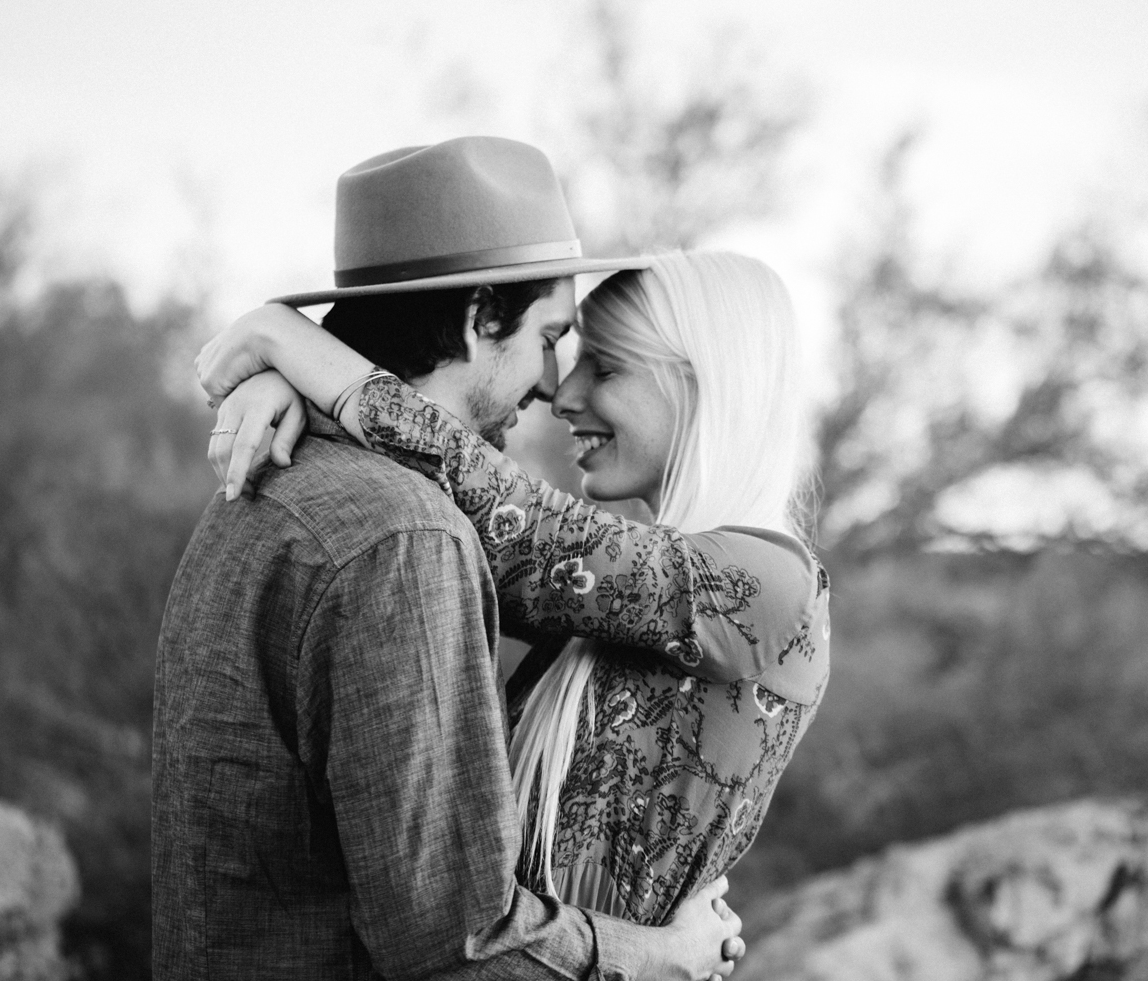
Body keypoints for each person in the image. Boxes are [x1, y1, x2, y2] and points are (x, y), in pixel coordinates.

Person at [153, 137, 743, 981]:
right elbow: (457, 945)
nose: (550, 383)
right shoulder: (407, 538)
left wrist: (294, 360)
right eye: (548, 336)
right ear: (478, 316)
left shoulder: (262, 491)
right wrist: (661, 957)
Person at [199, 249, 830, 932]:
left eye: (607, 367)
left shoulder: (770, 586)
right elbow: (475, 528)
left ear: (707, 385)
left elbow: (513, 525)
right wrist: (296, 389)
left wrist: (287, 342)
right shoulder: (627, 603)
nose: (563, 395)